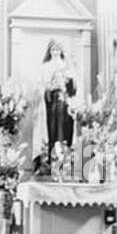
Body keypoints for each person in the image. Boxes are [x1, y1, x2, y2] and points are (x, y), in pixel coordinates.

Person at [41, 39, 77, 168]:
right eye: (53, 50)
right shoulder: (46, 66)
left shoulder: (65, 65)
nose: (56, 52)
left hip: (65, 101)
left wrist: (67, 80)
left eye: (58, 50)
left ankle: (64, 156)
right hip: (53, 100)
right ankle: (53, 156)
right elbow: (45, 85)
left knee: (65, 127)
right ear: (49, 51)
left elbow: (73, 88)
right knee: (53, 128)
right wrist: (54, 83)